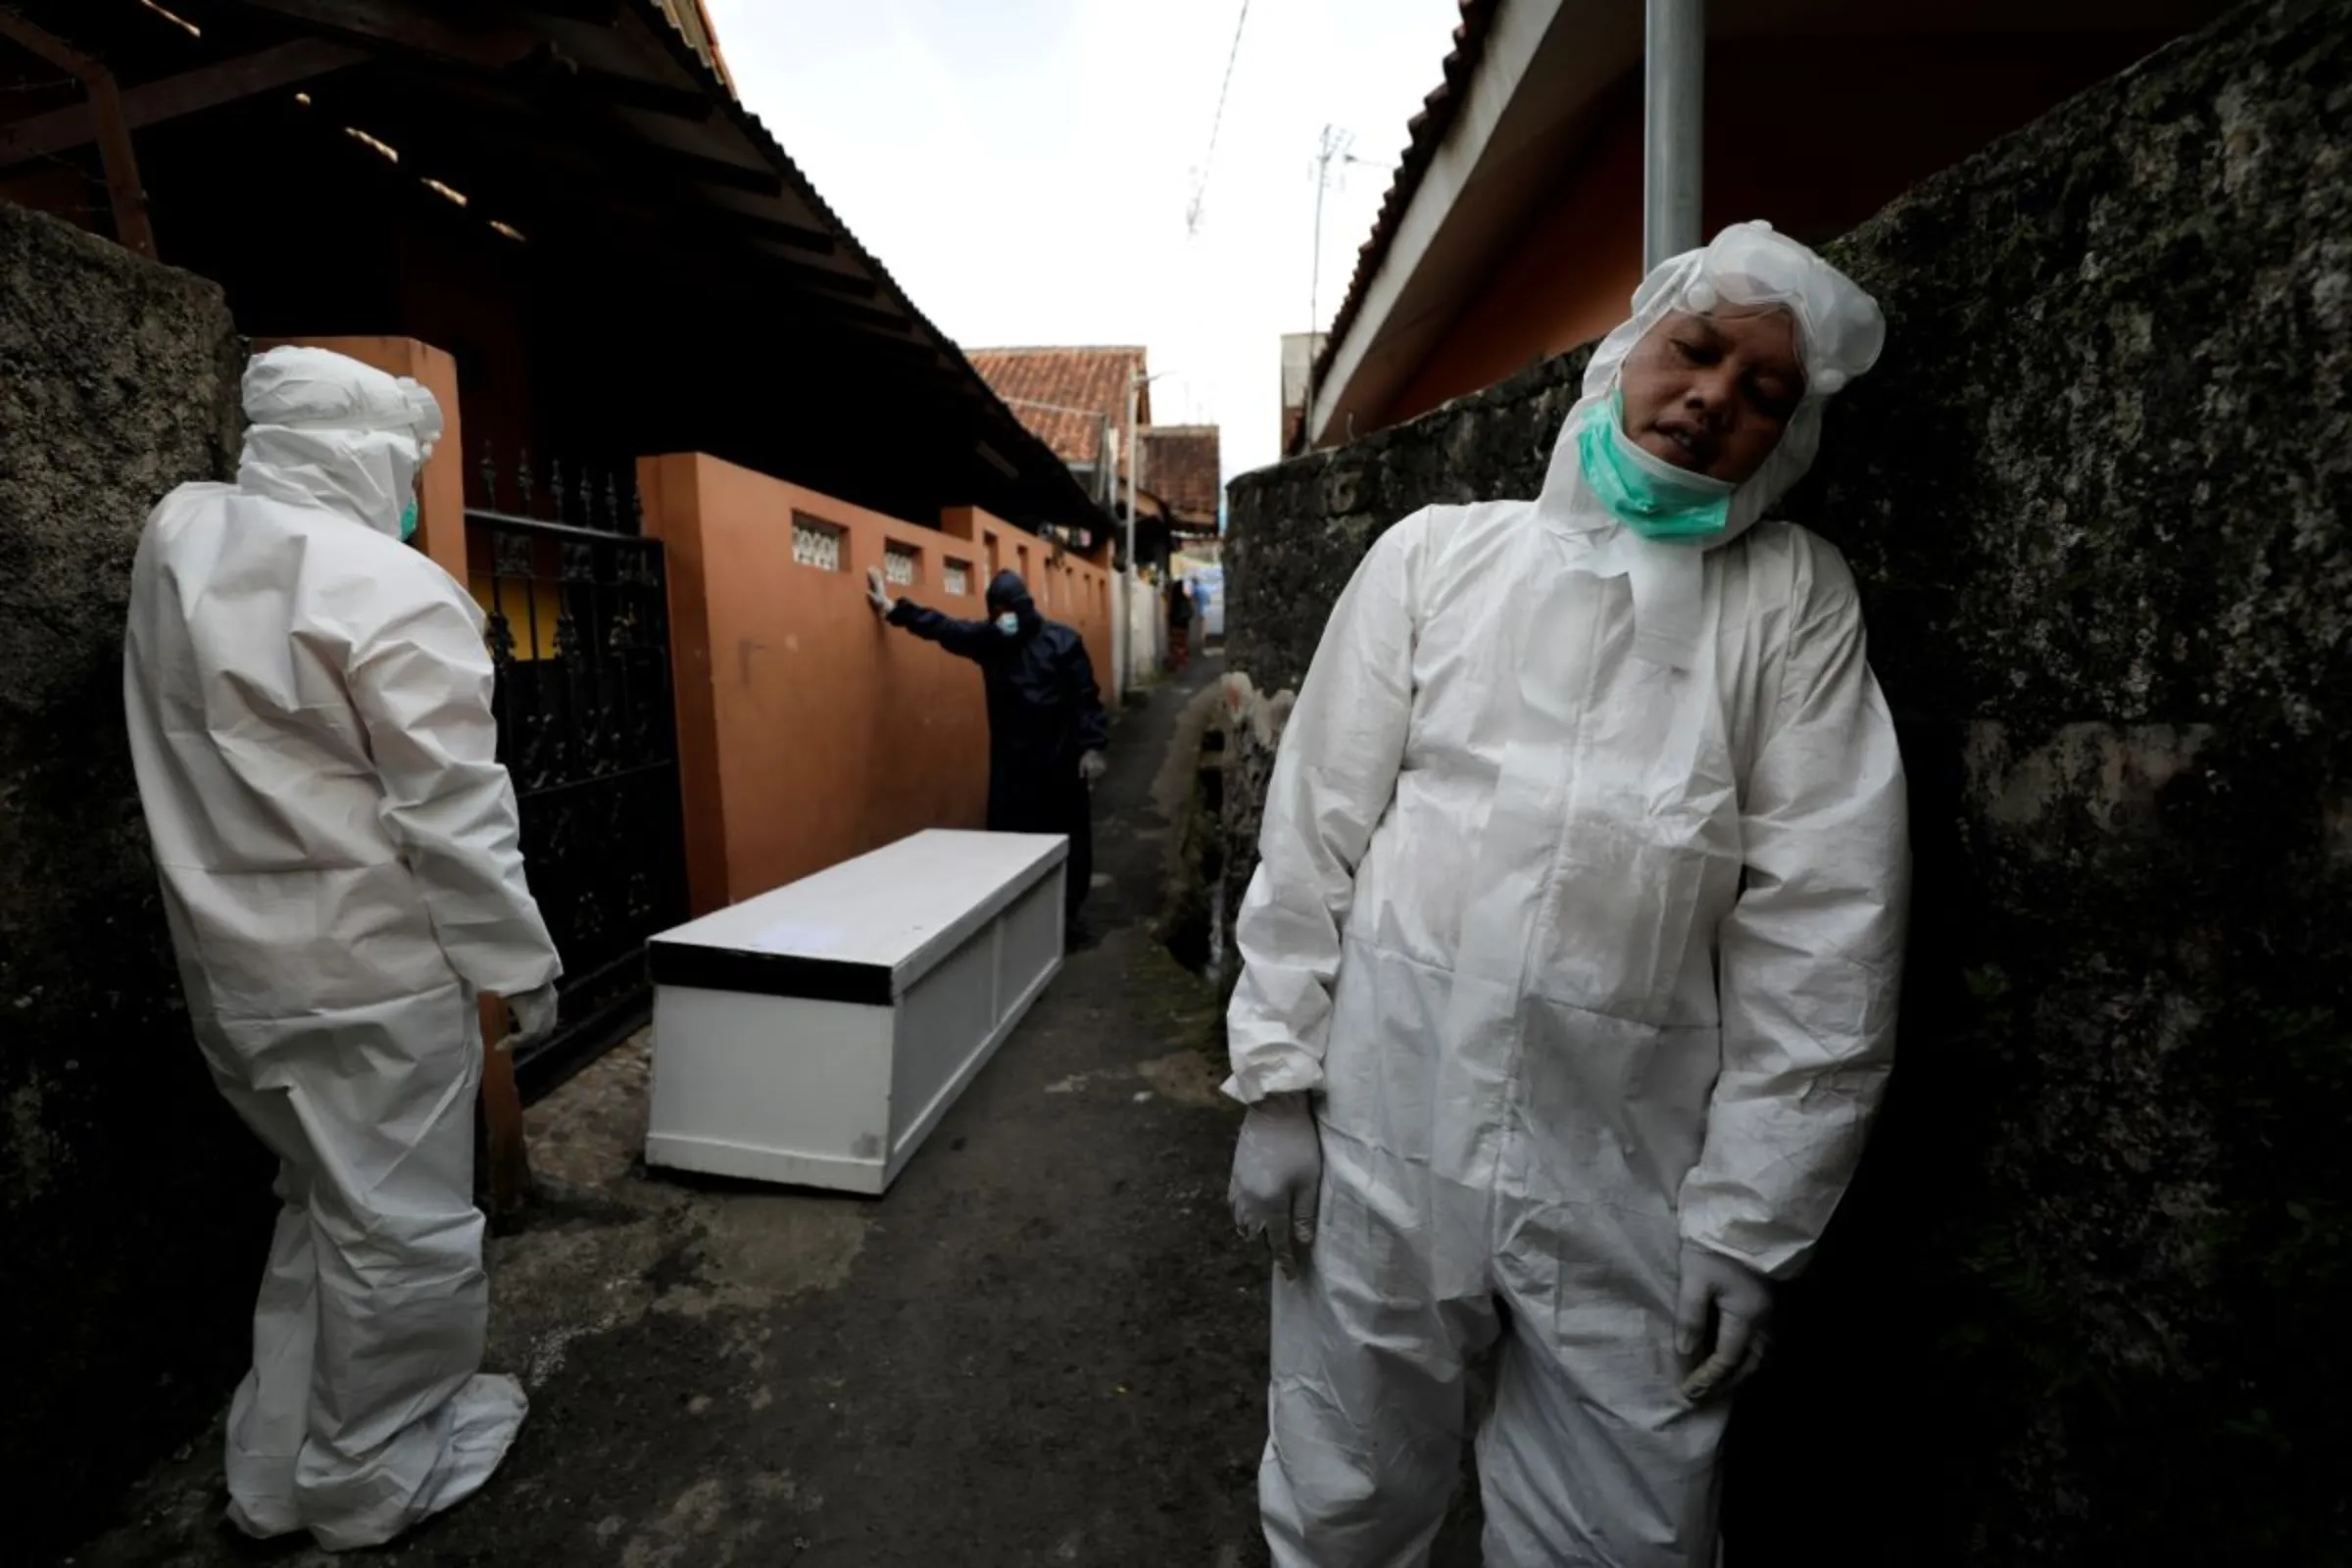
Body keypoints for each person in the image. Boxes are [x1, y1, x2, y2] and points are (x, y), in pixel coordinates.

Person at [1224, 221, 1909, 1565]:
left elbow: (1827, 925)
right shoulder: (1436, 561)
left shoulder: (1790, 604)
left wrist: (1754, 1220)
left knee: (1624, 1535)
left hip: (1627, 1177)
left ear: (1791, 435)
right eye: (1696, 352)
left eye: (1766, 391)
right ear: (1625, 355)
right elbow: (1314, 831)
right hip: (1383, 1134)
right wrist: (1277, 1080)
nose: (1716, 398)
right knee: (1346, 1496)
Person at [123, 346, 562, 1551]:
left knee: (321, 1207)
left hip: (233, 967)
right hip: (370, 972)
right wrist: (519, 967)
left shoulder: (181, 541)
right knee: (402, 1229)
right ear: (369, 456)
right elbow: (455, 816)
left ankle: (273, 1468)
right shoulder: (395, 590)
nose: (417, 489)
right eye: (409, 463)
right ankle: (373, 1473)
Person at [867, 564, 1109, 942]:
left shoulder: (1063, 642)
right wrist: (893, 609)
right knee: (1008, 848)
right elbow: (944, 627)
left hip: (1060, 766)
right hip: (1012, 770)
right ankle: (1018, 921)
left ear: (1024, 606)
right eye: (996, 612)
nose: (1004, 619)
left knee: (1069, 846)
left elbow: (1086, 699)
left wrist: (1092, 748)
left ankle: (1066, 921)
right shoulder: (991, 643)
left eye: (1008, 610)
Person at [1167, 569, 1196, 671]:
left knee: (1174, 645)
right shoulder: (1186, 599)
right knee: (1182, 644)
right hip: (1184, 626)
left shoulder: (1172, 600)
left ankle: (1175, 663)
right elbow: (1191, 612)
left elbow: (1169, 613)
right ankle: (1182, 663)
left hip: (1174, 625)